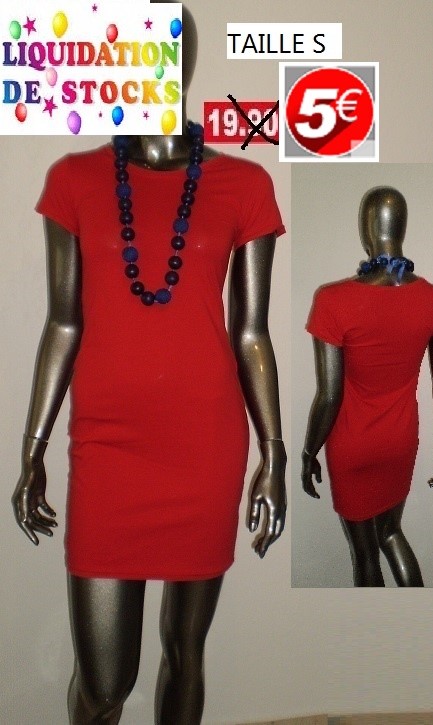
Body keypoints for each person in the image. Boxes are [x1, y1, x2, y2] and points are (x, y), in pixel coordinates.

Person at [12, 4, 286, 723]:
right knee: (104, 686)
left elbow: (251, 332)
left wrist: (275, 450)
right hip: (108, 446)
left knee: (184, 651)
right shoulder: (74, 179)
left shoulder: (244, 184)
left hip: (204, 445)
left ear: (187, 64)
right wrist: (32, 447)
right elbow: (63, 322)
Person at [301, 186, 433, 587]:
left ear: (366, 232)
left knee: (365, 552)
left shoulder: (333, 300)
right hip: (400, 441)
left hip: (352, 445)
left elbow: (329, 395)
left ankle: (372, 624)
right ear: (402, 228)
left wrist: (308, 451)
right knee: (391, 533)